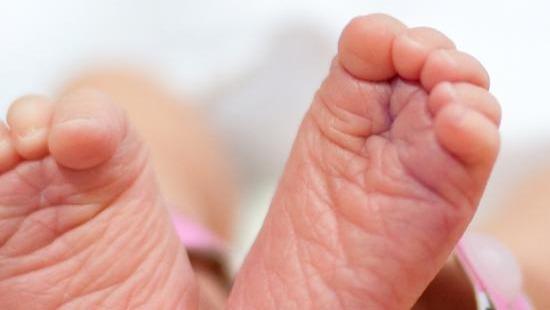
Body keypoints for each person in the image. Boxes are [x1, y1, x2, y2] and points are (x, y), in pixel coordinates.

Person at [0, 13, 534, 308]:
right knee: (103, 109)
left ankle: (196, 279)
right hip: (484, 120)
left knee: (117, 97)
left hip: (218, 73)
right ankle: (456, 292)